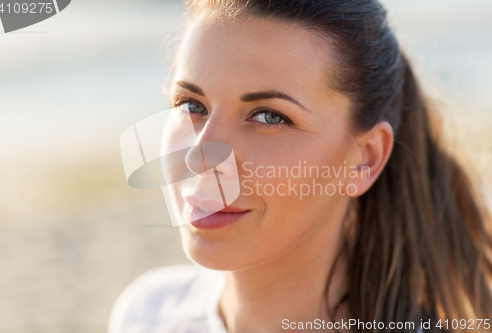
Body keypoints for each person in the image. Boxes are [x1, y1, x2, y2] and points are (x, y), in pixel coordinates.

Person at [109, 0, 492, 332]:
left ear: (365, 158)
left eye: (269, 117)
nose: (197, 157)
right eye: (192, 105)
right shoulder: (145, 316)